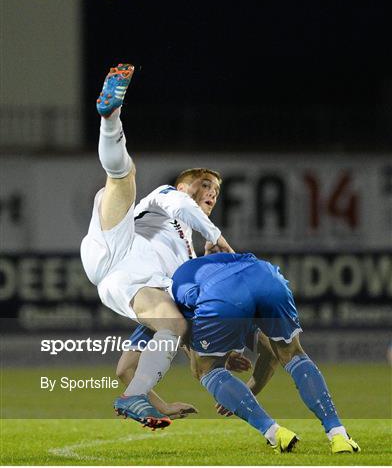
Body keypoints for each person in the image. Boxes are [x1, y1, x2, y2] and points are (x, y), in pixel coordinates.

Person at [80, 63, 234, 429]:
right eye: (203, 183)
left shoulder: (187, 260)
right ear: (183, 185)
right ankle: (110, 116)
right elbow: (182, 206)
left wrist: (216, 354)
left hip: (125, 284)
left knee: (173, 324)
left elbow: (127, 368)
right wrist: (217, 236)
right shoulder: (167, 199)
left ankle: (138, 401)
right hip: (119, 243)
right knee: (123, 177)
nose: (210, 191)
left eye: (215, 189)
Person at [127, 252, 361, 455]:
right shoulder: (198, 270)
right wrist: (247, 390)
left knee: (204, 370)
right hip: (265, 274)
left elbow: (130, 365)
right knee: (292, 354)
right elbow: (270, 353)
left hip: (223, 295)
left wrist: (238, 396)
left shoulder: (159, 303)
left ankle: (274, 433)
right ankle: (338, 434)